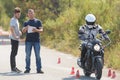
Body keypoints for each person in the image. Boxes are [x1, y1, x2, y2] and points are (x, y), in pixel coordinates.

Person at [22, 9, 44, 74]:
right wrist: (26, 28)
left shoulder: (38, 21)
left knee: (37, 55)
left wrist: (36, 30)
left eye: (31, 13)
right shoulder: (26, 22)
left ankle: (39, 69)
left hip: (36, 41)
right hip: (28, 41)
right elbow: (23, 31)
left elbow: (42, 30)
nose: (30, 14)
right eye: (29, 13)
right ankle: (27, 69)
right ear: (28, 15)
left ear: (34, 13)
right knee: (28, 56)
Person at [9, 7, 22, 72]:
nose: (19, 15)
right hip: (14, 39)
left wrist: (19, 32)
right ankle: (13, 68)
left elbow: (16, 28)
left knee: (15, 53)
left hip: (16, 39)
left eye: (19, 14)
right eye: (18, 14)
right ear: (15, 13)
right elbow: (12, 28)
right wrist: (15, 36)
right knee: (13, 53)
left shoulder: (16, 20)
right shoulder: (13, 20)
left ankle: (14, 67)